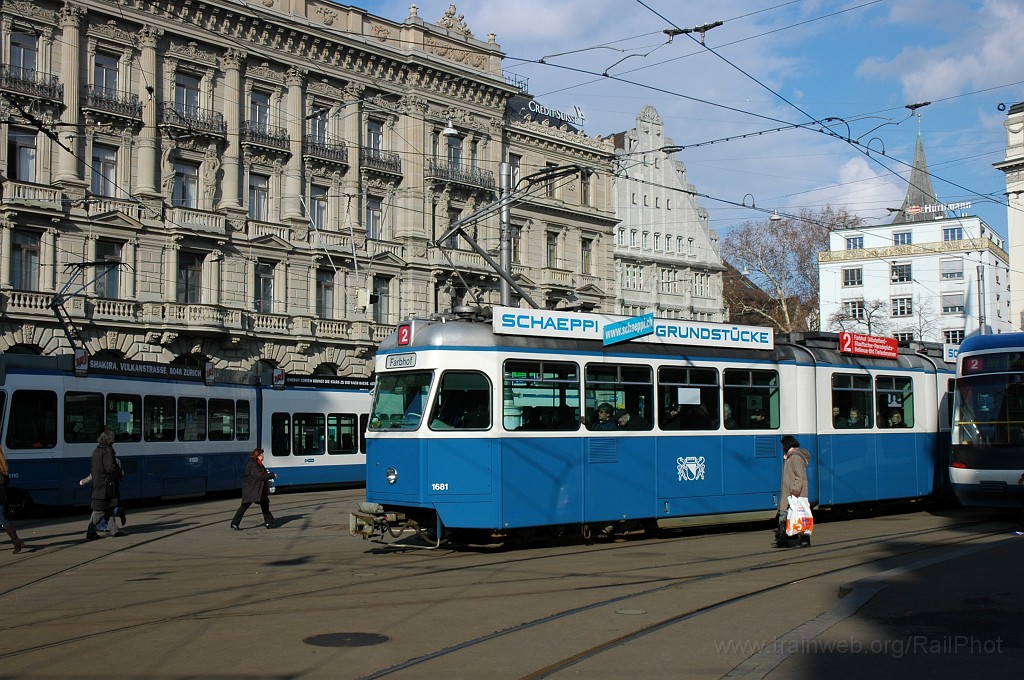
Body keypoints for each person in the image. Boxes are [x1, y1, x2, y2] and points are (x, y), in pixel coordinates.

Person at [86, 430, 125, 540]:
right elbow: (110, 468)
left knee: (108, 509)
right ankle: (90, 532)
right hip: (106, 485)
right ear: (110, 439)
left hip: (98, 484)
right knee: (99, 511)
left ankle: (114, 530)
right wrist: (116, 475)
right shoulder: (108, 451)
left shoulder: (96, 450)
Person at [773, 435, 811, 549]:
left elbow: (800, 477)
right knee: (789, 515)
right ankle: (787, 539)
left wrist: (794, 492)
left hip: (796, 494)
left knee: (797, 516)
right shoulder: (790, 457)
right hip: (790, 493)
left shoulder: (795, 458)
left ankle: (801, 540)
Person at [230, 448, 277, 530]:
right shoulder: (253, 464)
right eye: (261, 455)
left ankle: (269, 522)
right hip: (252, 489)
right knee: (245, 505)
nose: (263, 457)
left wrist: (267, 473)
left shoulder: (258, 463)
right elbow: (259, 476)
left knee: (265, 504)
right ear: (257, 455)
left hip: (258, 489)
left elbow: (261, 474)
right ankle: (234, 523)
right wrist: (272, 475)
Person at [0, 446, 27, 553]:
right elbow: (6, 481)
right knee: (2, 519)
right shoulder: (2, 463)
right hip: (1, 492)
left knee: (2, 519)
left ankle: (16, 541)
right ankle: (16, 541)